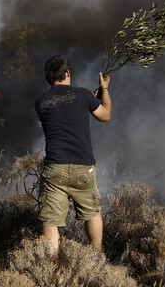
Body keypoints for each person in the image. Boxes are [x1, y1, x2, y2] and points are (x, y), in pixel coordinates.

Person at [34, 55, 111, 255]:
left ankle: (49, 268)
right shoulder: (84, 95)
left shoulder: (41, 103)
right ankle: (95, 255)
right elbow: (105, 115)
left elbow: (63, 110)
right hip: (83, 167)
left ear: (48, 78)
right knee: (92, 213)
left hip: (55, 169)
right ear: (68, 73)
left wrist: (87, 100)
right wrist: (104, 90)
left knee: (50, 221)